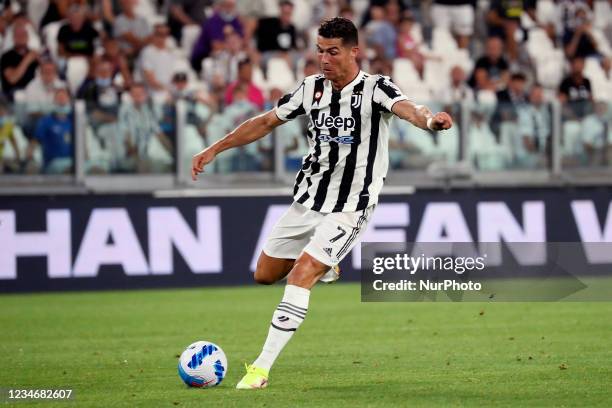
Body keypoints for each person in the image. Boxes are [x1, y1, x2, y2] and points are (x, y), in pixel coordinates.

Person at [191, 17, 453, 389]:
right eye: (319, 51)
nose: (324, 59)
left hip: (351, 207)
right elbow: (266, 122)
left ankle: (260, 370)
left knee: (301, 275)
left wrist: (430, 123)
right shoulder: (311, 88)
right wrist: (214, 148)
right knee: (264, 274)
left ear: (353, 51)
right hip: (307, 202)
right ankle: (327, 268)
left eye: (332, 52)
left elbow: (409, 109)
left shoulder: (375, 88)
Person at [1, 22, 38, 100]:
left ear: (28, 37)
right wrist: (27, 60)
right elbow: (12, 79)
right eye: (18, 35)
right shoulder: (6, 57)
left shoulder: (35, 54)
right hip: (15, 93)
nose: (21, 37)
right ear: (13, 38)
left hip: (35, 91)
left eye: (23, 34)